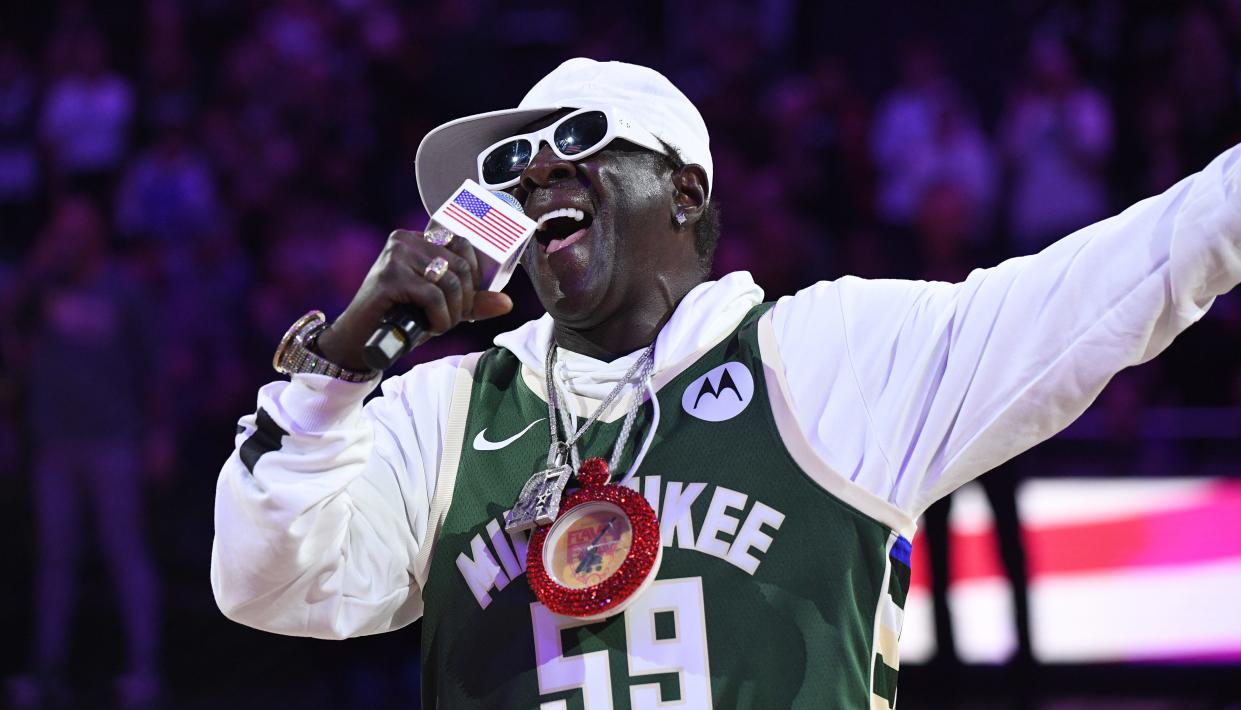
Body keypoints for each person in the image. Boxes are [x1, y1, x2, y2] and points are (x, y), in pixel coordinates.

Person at [211, 58, 1241, 708]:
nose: (534, 178)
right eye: (512, 168)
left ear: (684, 189)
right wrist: (339, 371)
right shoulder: (446, 412)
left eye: (575, 144)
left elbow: (1124, 276)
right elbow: (263, 586)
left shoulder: (822, 357)